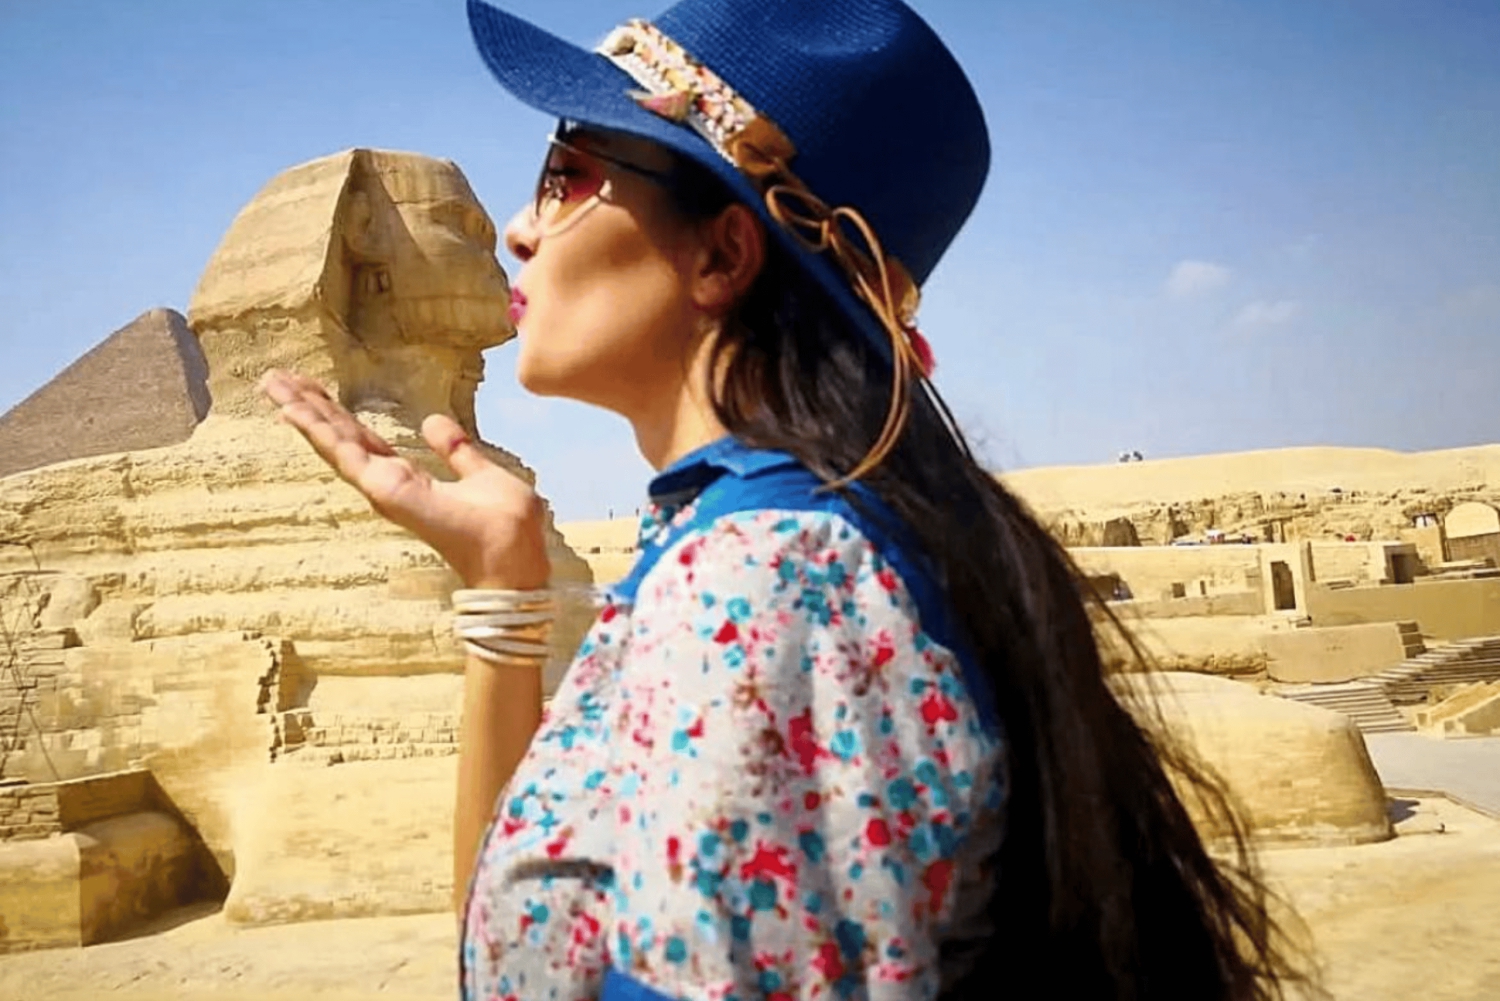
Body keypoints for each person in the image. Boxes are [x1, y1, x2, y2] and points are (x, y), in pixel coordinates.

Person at [261, 1, 1308, 998]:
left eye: (564, 175)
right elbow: (522, 951)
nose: (519, 230)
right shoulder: (750, 541)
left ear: (722, 253)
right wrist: (503, 591)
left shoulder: (768, 584)